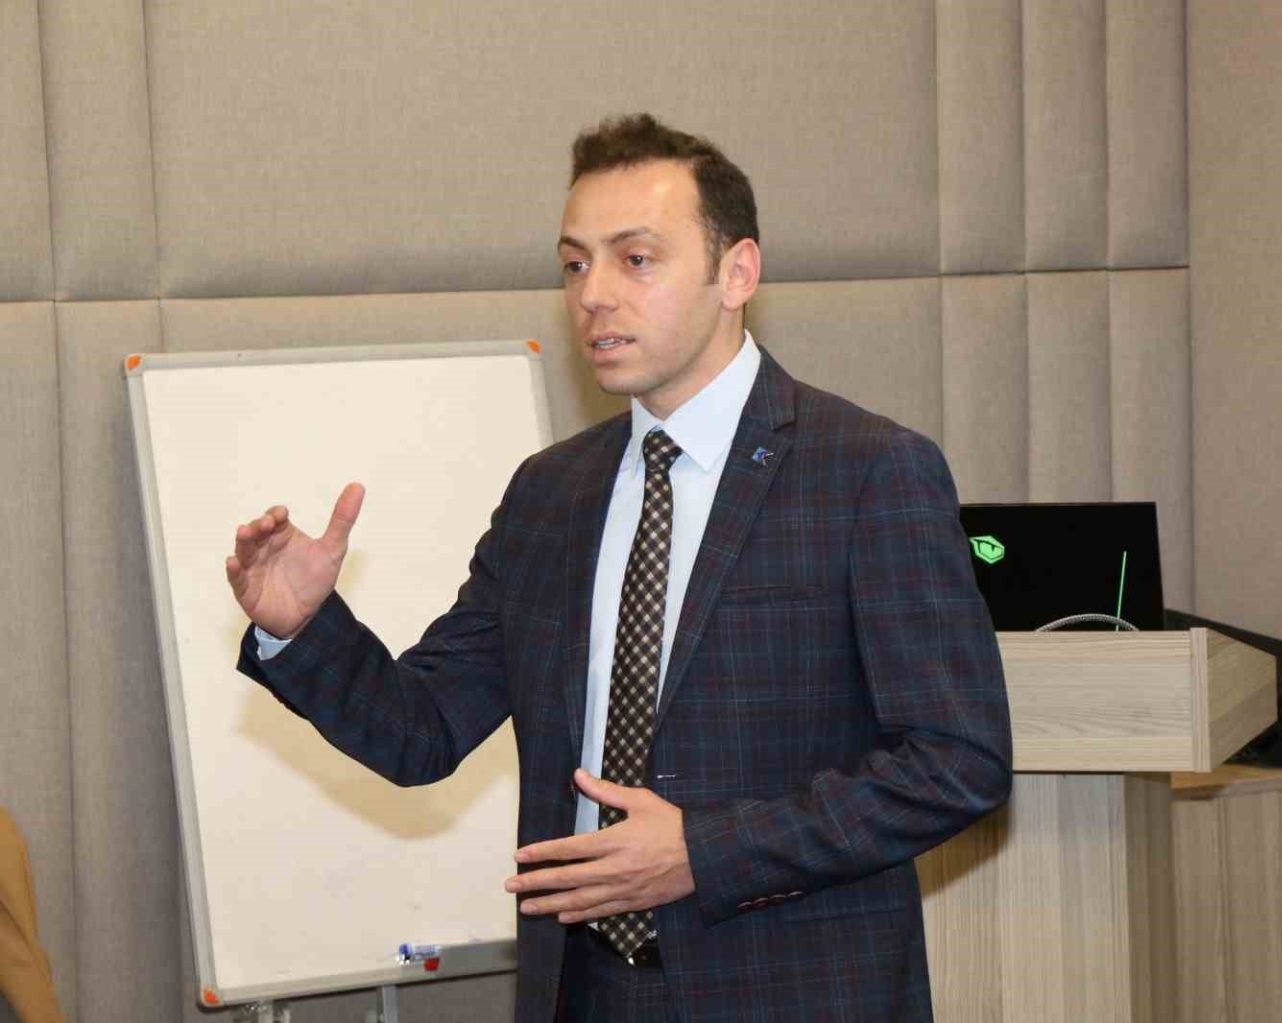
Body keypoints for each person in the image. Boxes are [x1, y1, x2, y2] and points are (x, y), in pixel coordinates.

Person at [227, 113, 1012, 1023]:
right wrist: (302, 629)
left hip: (791, 993)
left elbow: (957, 762)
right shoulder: (550, 495)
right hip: (584, 990)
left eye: (635, 259)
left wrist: (706, 852)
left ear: (737, 273)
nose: (594, 294)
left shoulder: (866, 470)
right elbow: (423, 730)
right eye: (575, 264)